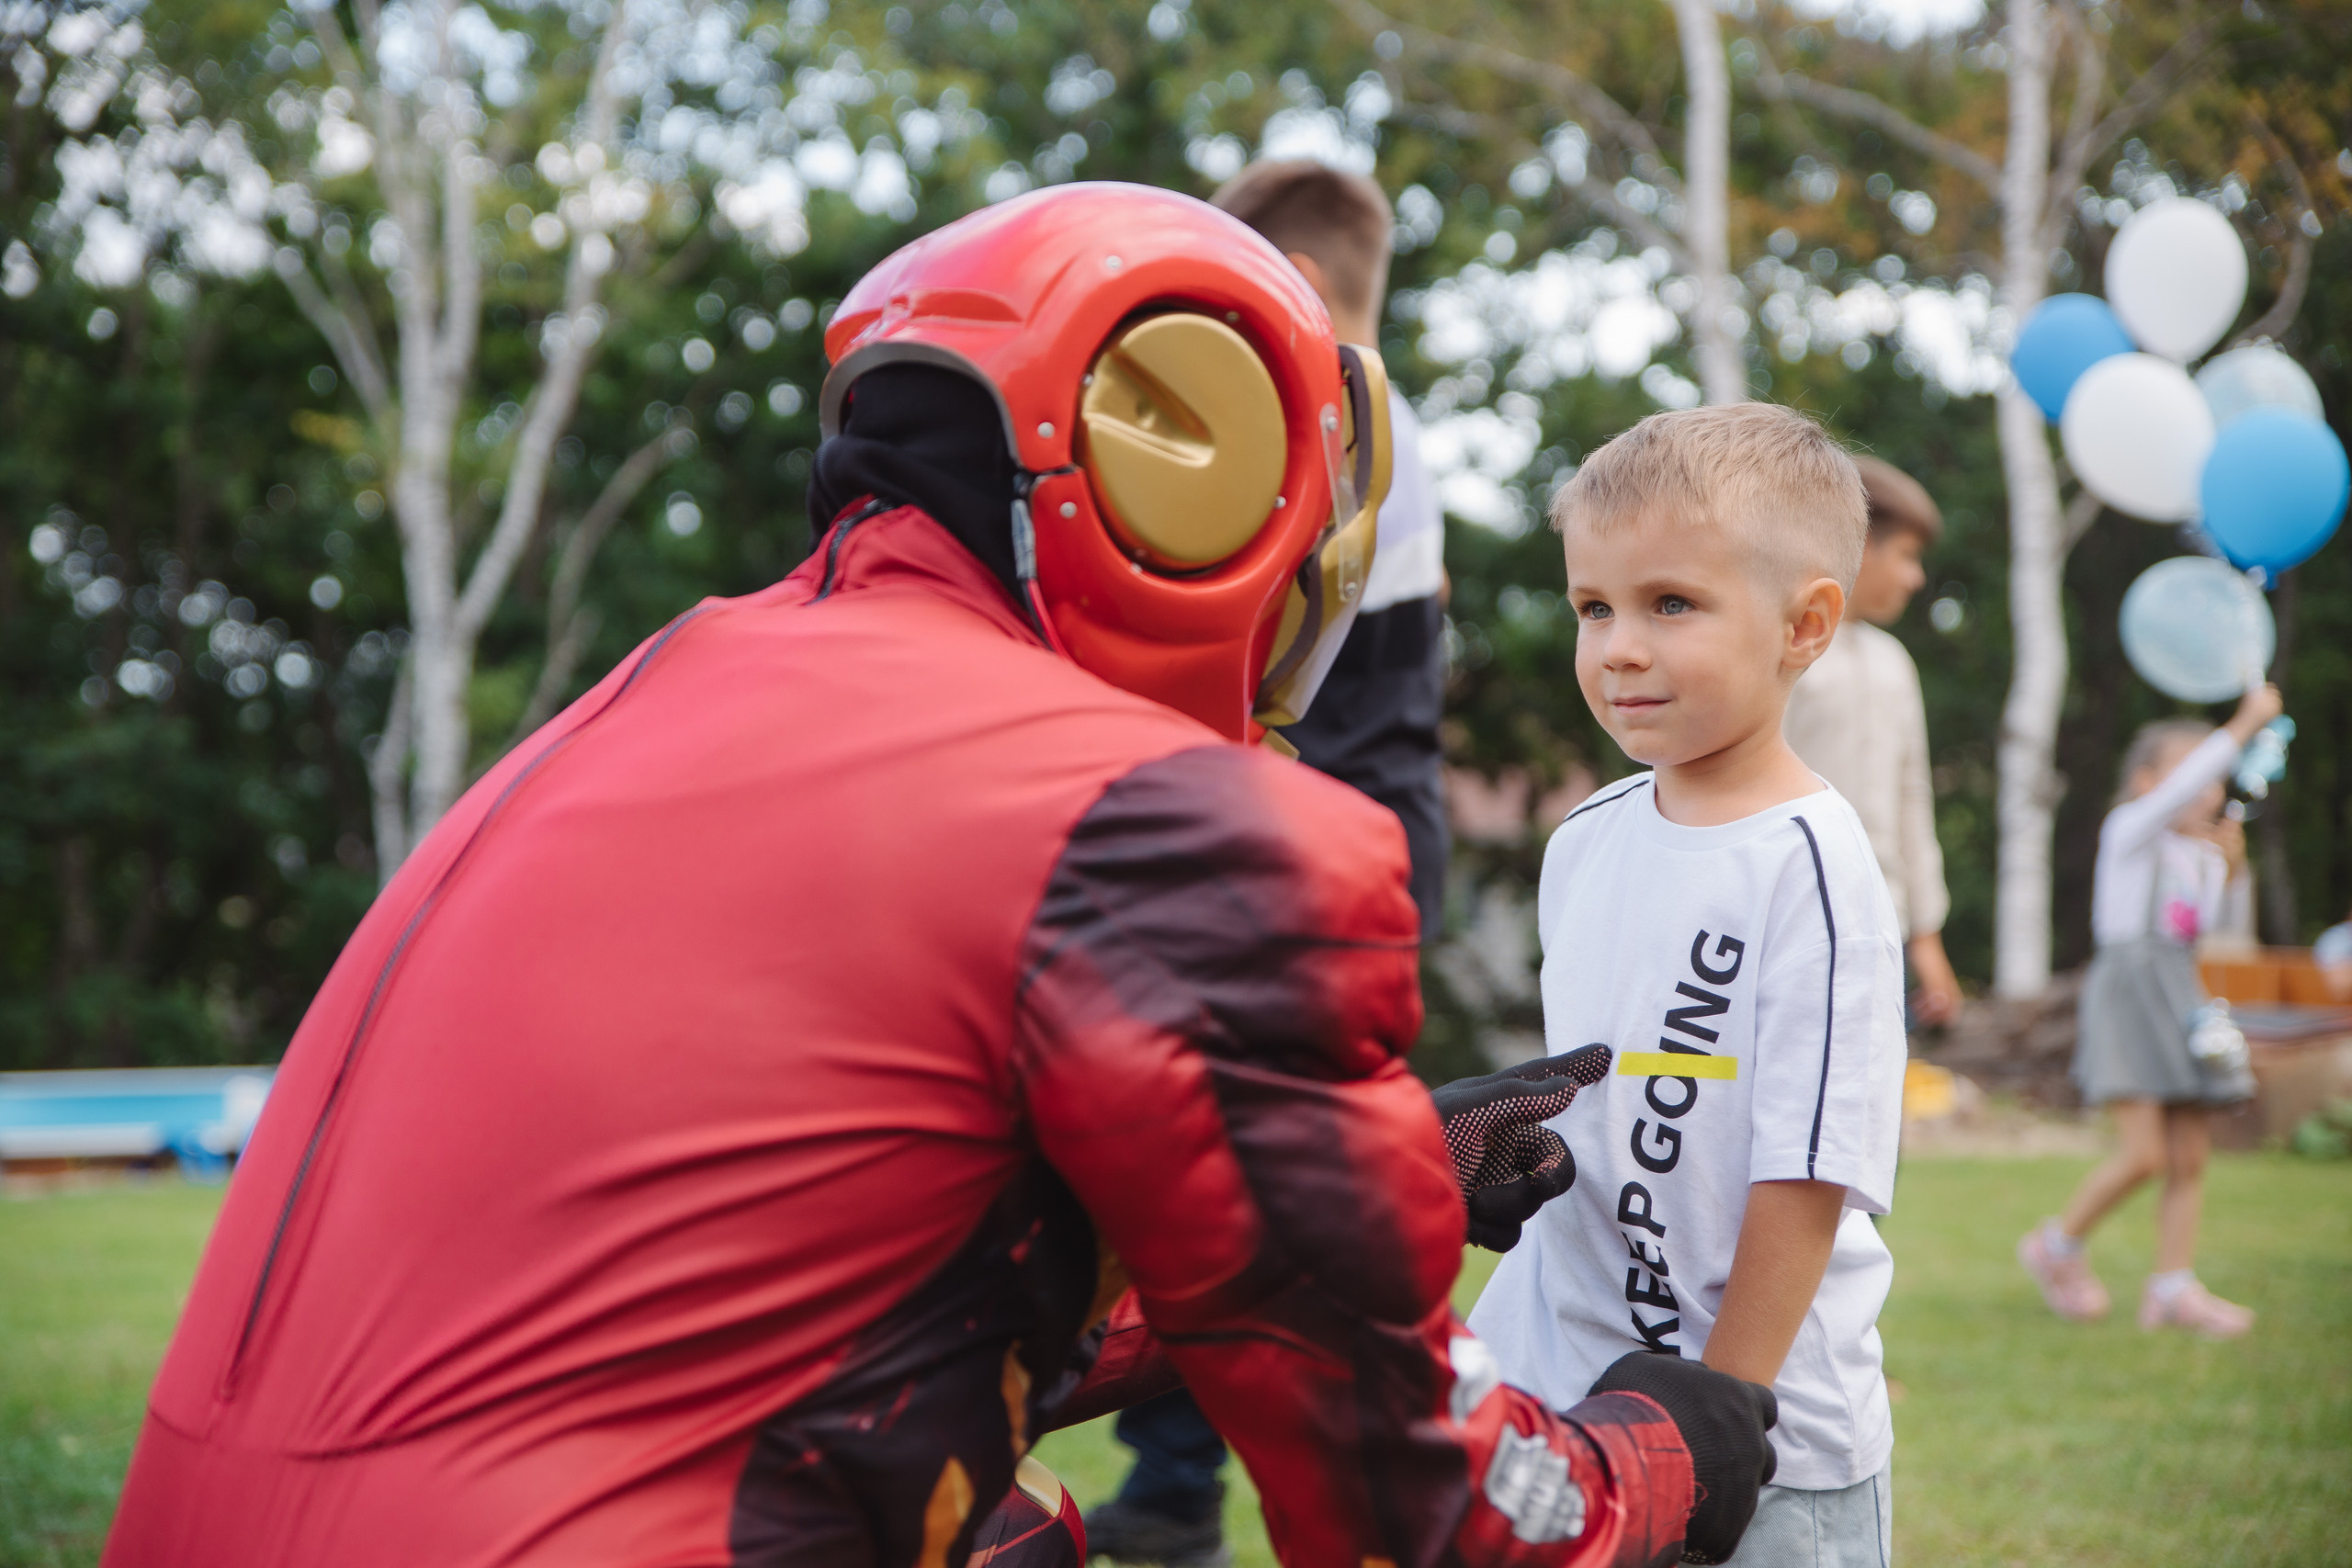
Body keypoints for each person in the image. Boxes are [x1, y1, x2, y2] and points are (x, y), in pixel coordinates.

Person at [104, 185, 1777, 1568]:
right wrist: (1655, 1454)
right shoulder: (1163, 818)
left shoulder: (642, 701)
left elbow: (811, 1297)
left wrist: (1377, 1166)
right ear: (1198, 486)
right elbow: (1410, 1508)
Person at [1080, 157, 1454, 1568]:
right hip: (1379, 832)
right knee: (1305, 1171)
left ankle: (1279, 1485)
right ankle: (1224, 1482)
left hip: (1302, 828)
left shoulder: (1312, 415)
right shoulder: (1393, 413)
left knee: (1224, 1167)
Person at [1467, 404, 1909, 1568]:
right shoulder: (1586, 838)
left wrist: (1717, 1416)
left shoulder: (1812, 869)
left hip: (1759, 1453)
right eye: (1592, 607)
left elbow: (1809, 1176)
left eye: (1671, 604)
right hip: (1572, 1414)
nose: (1617, 646)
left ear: (1805, 625)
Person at [2018, 686, 2284, 1340]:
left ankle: (2173, 1287)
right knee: (2144, 1155)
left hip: (2180, 996)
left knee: (2190, 1154)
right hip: (2131, 995)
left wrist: (2233, 868)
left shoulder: (2197, 853)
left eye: (2216, 780)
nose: (2207, 790)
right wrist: (2243, 724)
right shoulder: (2129, 830)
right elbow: (2175, 794)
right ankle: (2057, 1244)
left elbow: (2210, 930)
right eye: (2193, 774)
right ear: (2145, 781)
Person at [1781, 457, 1962, 1026]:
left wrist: (1926, 935)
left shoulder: (1894, 663)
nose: (1914, 578)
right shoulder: (1780, 646)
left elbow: (1912, 799)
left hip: (1880, 923)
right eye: (1906, 556)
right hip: (1787, 915)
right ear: (1858, 541)